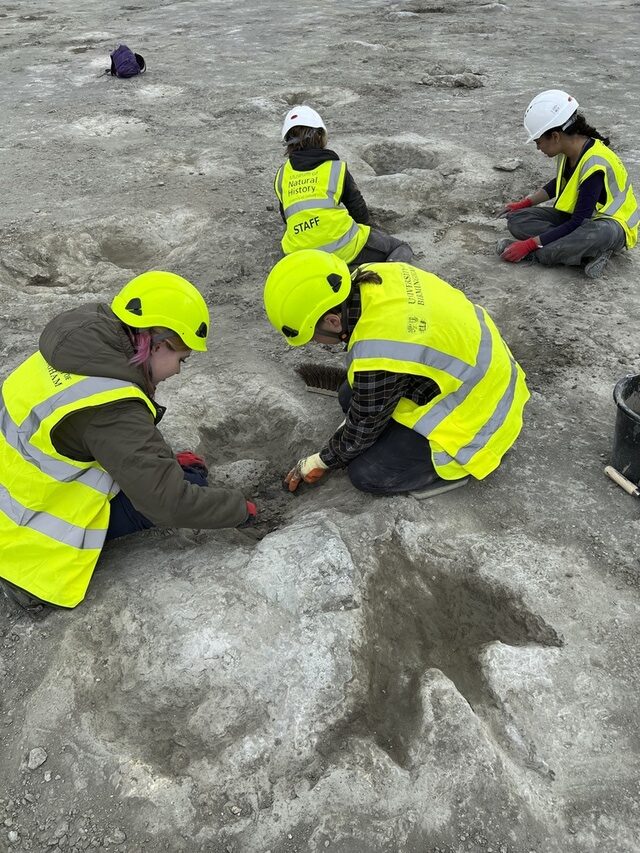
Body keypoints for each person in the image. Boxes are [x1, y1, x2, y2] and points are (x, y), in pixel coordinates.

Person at [0, 271, 256, 613]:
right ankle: (27, 579)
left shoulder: (82, 345)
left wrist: (167, 461)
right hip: (31, 536)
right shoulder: (112, 406)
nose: (179, 370)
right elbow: (167, 504)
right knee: (189, 485)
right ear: (159, 343)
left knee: (176, 474)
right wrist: (239, 510)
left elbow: (110, 437)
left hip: (18, 488)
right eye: (181, 359)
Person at [263, 250, 530, 497]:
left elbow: (363, 426)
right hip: (475, 371)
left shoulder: (379, 348)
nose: (318, 344)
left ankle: (450, 471)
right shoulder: (374, 275)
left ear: (333, 321)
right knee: (349, 395)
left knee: (367, 474)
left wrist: (320, 461)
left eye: (314, 336)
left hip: (479, 413)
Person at [497, 89, 639, 278]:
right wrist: (524, 204)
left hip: (610, 226)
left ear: (555, 136)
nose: (538, 148)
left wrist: (529, 245)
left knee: (578, 239)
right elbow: (559, 182)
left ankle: (545, 253)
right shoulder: (569, 151)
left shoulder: (595, 163)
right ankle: (583, 252)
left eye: (538, 142)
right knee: (517, 220)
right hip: (579, 220)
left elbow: (577, 221)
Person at [274, 105, 414, 267]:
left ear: (288, 143)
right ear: (320, 136)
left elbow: (287, 217)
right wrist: (367, 232)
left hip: (299, 254)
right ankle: (385, 276)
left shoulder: (282, 175)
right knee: (400, 247)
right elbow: (357, 208)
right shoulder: (335, 168)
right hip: (342, 248)